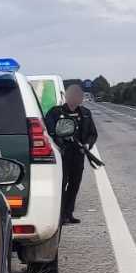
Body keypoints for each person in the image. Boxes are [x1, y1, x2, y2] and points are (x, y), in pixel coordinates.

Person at [44, 84, 99, 225]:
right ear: (66, 96)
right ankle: (60, 215)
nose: (76, 98)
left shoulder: (86, 113)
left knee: (75, 185)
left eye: (78, 95)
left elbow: (93, 134)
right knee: (61, 184)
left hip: (79, 154)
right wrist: (60, 143)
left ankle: (69, 213)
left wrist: (87, 144)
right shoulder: (55, 112)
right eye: (73, 95)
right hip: (62, 154)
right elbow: (49, 131)